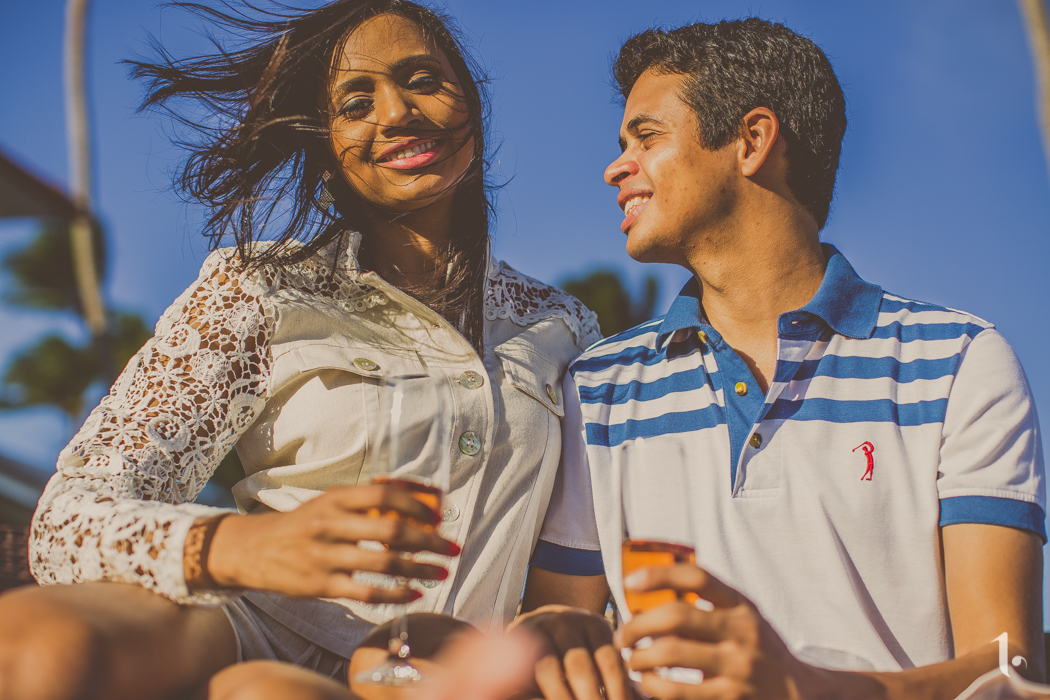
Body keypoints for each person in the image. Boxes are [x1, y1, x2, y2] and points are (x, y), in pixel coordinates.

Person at [0, 2, 600, 698]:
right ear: (325, 146)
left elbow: (570, 584)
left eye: (422, 79)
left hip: (448, 676)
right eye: (355, 102)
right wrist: (244, 546)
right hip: (247, 629)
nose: (397, 111)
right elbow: (67, 519)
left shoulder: (564, 329)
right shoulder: (256, 288)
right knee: (37, 645)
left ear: (470, 99)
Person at [519, 17, 1047, 700]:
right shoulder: (597, 389)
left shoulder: (959, 363)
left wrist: (799, 686)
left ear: (752, 140)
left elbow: (1006, 667)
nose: (617, 167)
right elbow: (562, 624)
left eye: (647, 137)